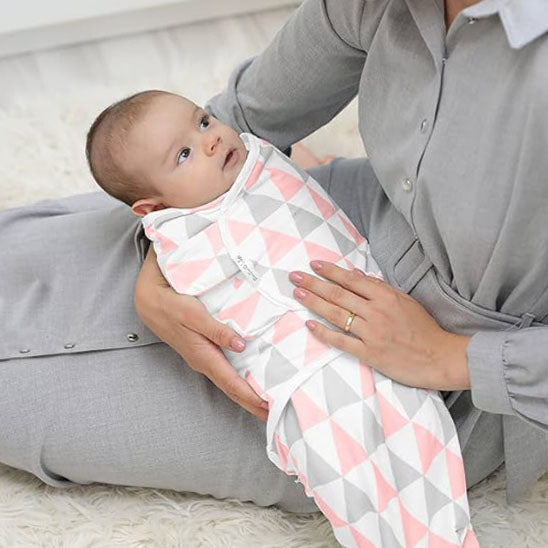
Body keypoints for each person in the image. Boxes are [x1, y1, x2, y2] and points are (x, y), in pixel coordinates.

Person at [0, 0, 546, 535]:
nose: (206, 137)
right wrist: (159, 259)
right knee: (38, 251)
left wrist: (454, 359)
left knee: (32, 393)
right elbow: (242, 117)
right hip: (329, 212)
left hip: (455, 363)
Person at [84, 89, 478, 546]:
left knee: (424, 443)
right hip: (301, 381)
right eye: (185, 154)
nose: (210, 140)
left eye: (204, 121)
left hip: (373, 333)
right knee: (351, 485)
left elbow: (282, 140)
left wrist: (317, 163)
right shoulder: (174, 232)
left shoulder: (256, 156)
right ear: (152, 209)